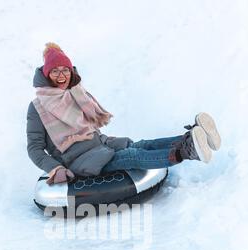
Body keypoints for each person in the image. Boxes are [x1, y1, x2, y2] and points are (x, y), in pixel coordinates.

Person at [26, 43, 221, 185]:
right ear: (46, 75)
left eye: (65, 70)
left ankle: (194, 137)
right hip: (79, 160)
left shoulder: (75, 93)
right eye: (55, 71)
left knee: (143, 145)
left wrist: (101, 140)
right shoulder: (38, 107)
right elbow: (34, 148)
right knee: (132, 155)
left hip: (101, 144)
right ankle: (188, 151)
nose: (61, 76)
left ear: (71, 71)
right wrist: (55, 168)